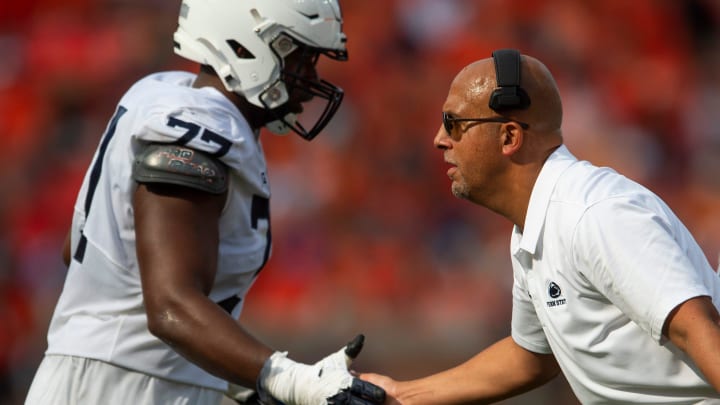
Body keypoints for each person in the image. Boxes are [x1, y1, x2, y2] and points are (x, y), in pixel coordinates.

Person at [24, 1, 385, 404]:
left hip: (119, 379)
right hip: (121, 387)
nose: (309, 78)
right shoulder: (198, 128)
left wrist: (231, 376)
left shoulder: (164, 94)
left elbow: (78, 249)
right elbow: (171, 306)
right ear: (245, 45)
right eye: (298, 58)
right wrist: (287, 378)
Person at [359, 49, 720, 404]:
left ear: (509, 137)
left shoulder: (594, 212)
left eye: (454, 122)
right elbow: (531, 357)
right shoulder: (535, 224)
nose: (439, 138)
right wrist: (401, 395)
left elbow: (697, 328)